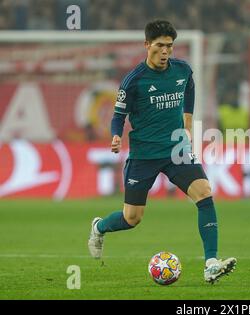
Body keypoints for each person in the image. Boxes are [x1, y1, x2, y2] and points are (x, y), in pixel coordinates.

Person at [88, 20, 236, 283]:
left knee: (204, 193)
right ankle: (99, 227)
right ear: (147, 45)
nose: (165, 51)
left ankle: (211, 263)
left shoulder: (182, 70)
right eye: (160, 46)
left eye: (169, 46)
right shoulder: (134, 81)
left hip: (176, 150)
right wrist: (114, 135)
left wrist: (188, 118)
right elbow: (118, 115)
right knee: (132, 218)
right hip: (144, 155)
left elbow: (189, 87)